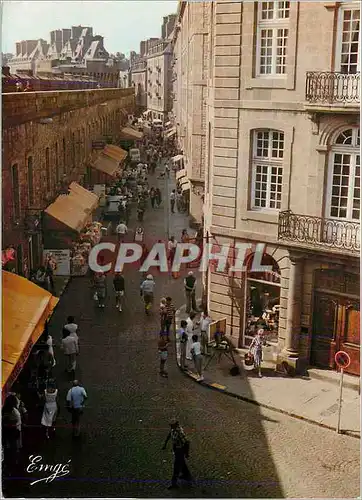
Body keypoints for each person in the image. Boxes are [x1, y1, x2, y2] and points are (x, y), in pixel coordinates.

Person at [162, 419, 192, 489]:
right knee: (182, 463)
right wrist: (165, 444)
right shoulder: (173, 429)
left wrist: (186, 453)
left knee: (176, 467)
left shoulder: (179, 432)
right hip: (176, 449)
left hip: (180, 450)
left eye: (172, 425)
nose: (171, 427)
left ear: (176, 425)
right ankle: (186, 475)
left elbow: (187, 442)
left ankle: (174, 483)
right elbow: (170, 434)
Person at [2, 394, 22, 466]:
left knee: (8, 448)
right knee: (13, 448)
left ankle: (9, 462)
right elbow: (12, 421)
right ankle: (13, 463)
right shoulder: (13, 411)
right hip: (13, 431)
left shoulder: (5, 410)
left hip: (9, 431)